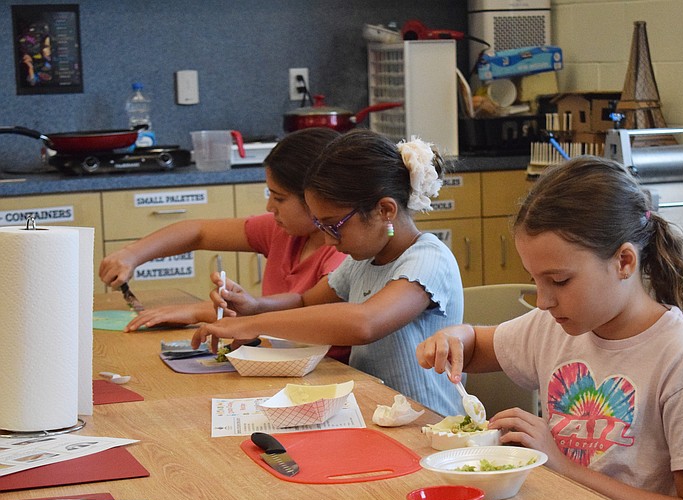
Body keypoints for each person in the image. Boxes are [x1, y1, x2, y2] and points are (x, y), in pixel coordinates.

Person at [416, 156, 683, 500]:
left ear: (623, 262)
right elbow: (479, 346)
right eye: (535, 280)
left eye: (559, 280)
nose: (545, 301)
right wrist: (455, 336)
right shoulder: (557, 325)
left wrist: (562, 466)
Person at [191, 130, 465, 416]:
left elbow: (365, 323)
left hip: (429, 422)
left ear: (385, 210)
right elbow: (305, 302)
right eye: (320, 227)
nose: (328, 241)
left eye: (333, 226)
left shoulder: (428, 259)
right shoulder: (364, 258)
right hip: (377, 411)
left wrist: (255, 324)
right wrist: (254, 306)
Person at [99, 128, 347, 334]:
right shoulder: (282, 231)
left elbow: (307, 314)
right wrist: (132, 254)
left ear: (316, 198)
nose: (269, 207)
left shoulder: (343, 251)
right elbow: (198, 231)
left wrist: (201, 311)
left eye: (279, 198)